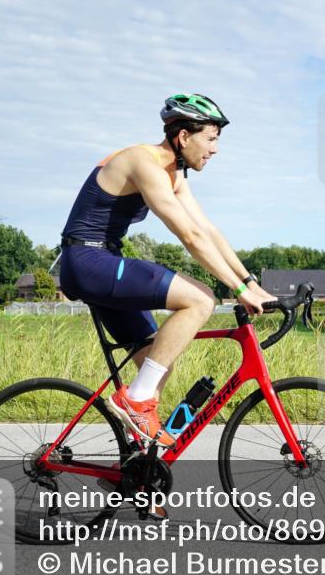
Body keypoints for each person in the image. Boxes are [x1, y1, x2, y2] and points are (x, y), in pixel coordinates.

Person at [58, 93, 276, 448]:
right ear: (184, 136)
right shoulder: (142, 162)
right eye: (211, 138)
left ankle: (139, 468)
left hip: (100, 263)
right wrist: (236, 291)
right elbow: (189, 237)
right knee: (200, 300)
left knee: (158, 361)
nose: (215, 149)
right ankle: (134, 401)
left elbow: (207, 230)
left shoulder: (173, 175)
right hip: (88, 261)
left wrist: (251, 283)